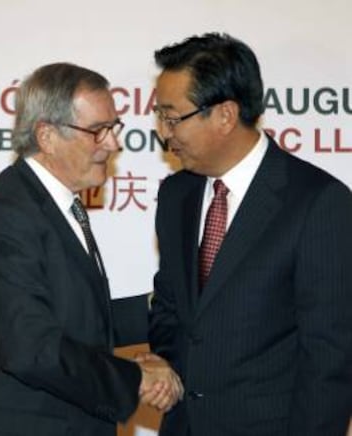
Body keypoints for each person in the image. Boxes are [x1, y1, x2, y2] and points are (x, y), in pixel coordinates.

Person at [0, 62, 182, 436]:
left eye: (114, 128)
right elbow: (31, 348)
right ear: (47, 135)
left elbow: (66, 318)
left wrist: (155, 308)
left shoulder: (50, 203)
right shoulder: (6, 216)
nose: (114, 144)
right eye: (98, 131)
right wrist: (134, 378)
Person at [147, 33, 352, 436]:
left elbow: (330, 358)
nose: (165, 134)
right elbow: (170, 309)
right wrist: (166, 367)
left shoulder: (317, 203)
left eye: (173, 118)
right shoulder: (177, 194)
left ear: (224, 115)